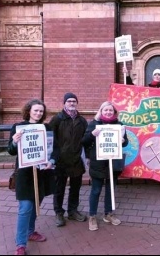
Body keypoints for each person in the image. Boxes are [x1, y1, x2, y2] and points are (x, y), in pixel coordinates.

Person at [7, 99, 59, 256]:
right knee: (25, 208)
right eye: (36, 110)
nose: (38, 113)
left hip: (42, 174)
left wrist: (52, 161)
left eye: (41, 111)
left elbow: (55, 149)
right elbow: (11, 151)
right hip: (25, 175)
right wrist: (15, 142)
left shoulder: (47, 127)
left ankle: (30, 232)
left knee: (36, 205)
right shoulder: (18, 128)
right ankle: (20, 244)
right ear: (29, 110)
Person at [81, 101, 129, 231]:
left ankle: (108, 214)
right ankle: (92, 216)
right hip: (98, 163)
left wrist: (123, 141)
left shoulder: (119, 125)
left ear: (114, 112)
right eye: (105, 110)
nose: (108, 112)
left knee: (110, 190)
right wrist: (92, 134)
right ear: (101, 111)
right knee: (96, 190)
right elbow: (84, 141)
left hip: (113, 163)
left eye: (110, 110)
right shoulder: (94, 124)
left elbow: (125, 143)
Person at [49, 92, 88, 227]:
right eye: (69, 101)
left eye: (74, 101)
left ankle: (73, 211)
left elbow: (86, 139)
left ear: (77, 103)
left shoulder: (82, 121)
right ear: (64, 103)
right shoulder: (57, 119)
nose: (72, 103)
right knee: (59, 188)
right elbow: (50, 139)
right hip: (60, 161)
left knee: (75, 188)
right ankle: (59, 212)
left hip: (76, 160)